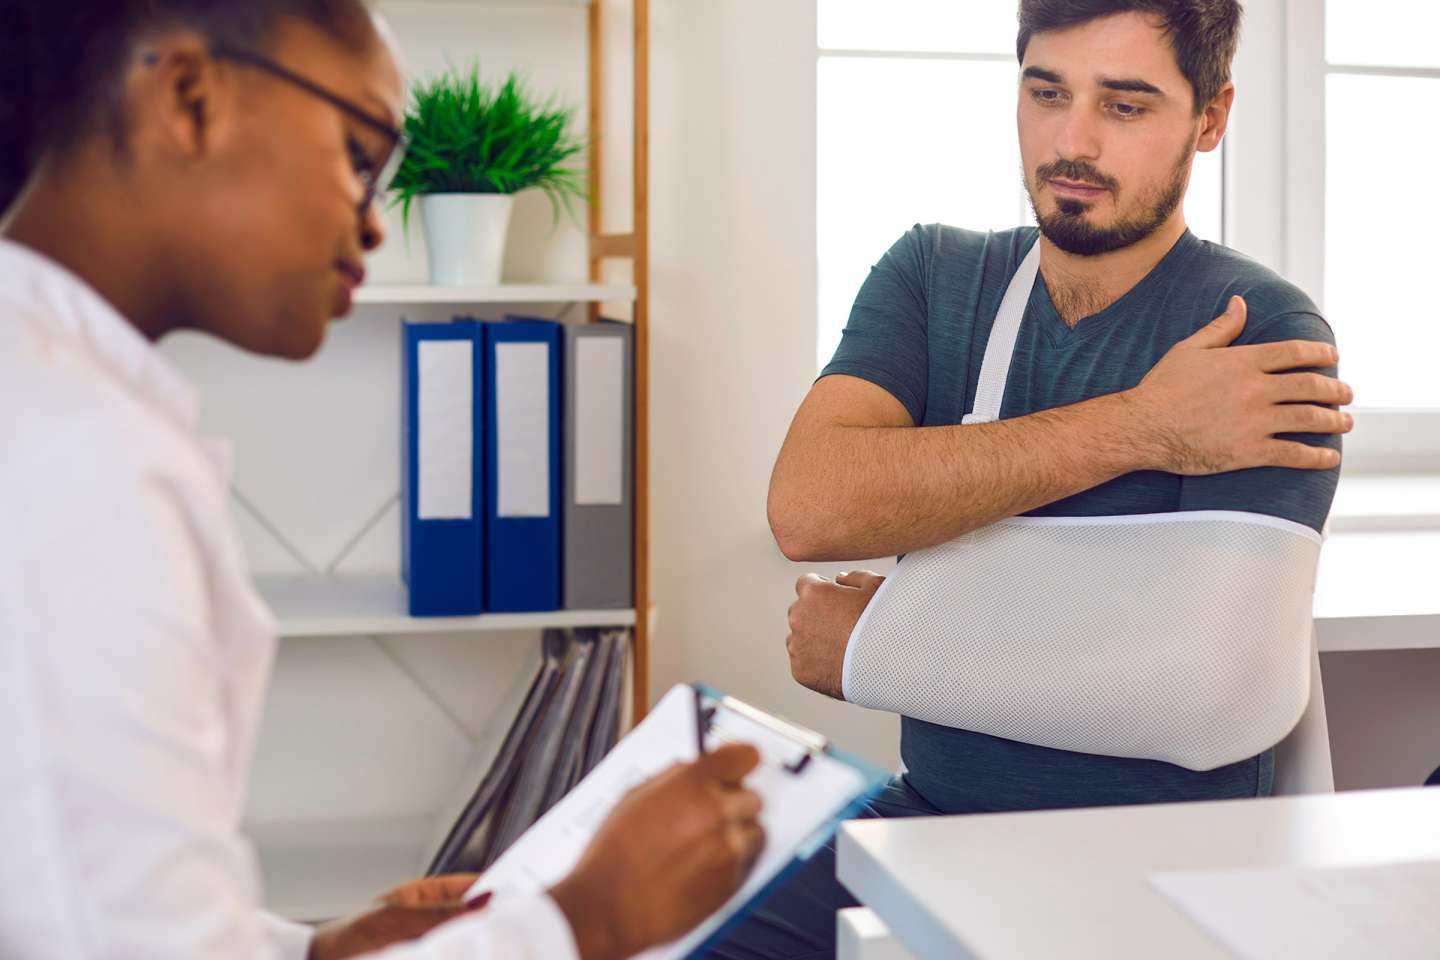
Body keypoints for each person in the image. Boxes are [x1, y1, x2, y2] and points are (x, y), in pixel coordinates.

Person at [0, 2, 765, 959]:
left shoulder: (56, 399)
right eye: (362, 156)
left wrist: (317, 950)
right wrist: (587, 921)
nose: (373, 223)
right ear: (191, 99)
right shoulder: (75, 463)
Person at [707, 1, 1355, 956]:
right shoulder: (934, 276)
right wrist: (1145, 427)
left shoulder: (1258, 332)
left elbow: (1216, 698)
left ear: (1210, 118)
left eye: (1126, 106)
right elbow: (810, 508)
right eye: (1047, 93)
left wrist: (879, 649)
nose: (1073, 141)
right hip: (931, 822)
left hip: (1165, 864)